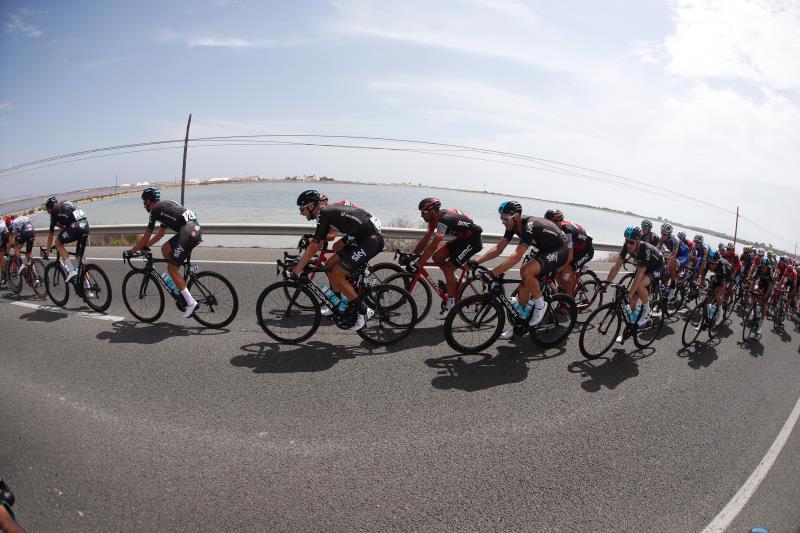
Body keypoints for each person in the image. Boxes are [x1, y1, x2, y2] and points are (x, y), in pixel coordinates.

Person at [471, 201, 568, 339]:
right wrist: (476, 261)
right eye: (501, 218)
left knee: (526, 271)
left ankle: (541, 305)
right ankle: (521, 323)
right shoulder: (512, 225)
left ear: (516, 217)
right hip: (544, 249)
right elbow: (499, 248)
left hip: (559, 249)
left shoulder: (529, 226)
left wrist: (492, 273)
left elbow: (517, 255)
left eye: (505, 218)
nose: (503, 222)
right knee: (523, 287)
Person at [292, 189, 384, 331]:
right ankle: (336, 304)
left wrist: (297, 269)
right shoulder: (325, 213)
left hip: (369, 240)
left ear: (311, 207)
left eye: (302, 209)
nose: (300, 213)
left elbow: (315, 246)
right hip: (361, 238)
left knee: (337, 274)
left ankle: (364, 312)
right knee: (329, 266)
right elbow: (319, 241)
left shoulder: (324, 213)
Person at [126, 187, 202, 318]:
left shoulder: (155, 211)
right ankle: (180, 286)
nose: (144, 205)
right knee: (165, 249)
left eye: (144, 202)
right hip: (194, 229)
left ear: (149, 201)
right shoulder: (166, 206)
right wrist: (146, 246)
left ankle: (191, 302)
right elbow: (160, 234)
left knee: (171, 269)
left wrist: (132, 251)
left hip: (187, 233)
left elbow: (145, 237)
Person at [412, 198, 482, 318]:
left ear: (433, 211)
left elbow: (434, 244)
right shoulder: (434, 219)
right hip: (462, 239)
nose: (421, 215)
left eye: (423, 212)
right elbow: (426, 239)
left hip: (473, 241)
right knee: (437, 257)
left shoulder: (444, 220)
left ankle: (450, 306)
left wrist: (419, 263)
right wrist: (413, 255)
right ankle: (454, 281)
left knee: (449, 268)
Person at [603, 226, 665, 330]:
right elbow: (616, 267)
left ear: (638, 241)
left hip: (657, 266)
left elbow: (639, 276)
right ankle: (630, 326)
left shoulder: (645, 249)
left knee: (639, 286)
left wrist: (629, 296)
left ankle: (647, 310)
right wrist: (605, 284)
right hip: (646, 265)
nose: (628, 244)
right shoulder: (626, 246)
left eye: (631, 242)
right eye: (626, 241)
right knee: (632, 300)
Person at [543, 208, 593, 297]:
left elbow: (570, 258)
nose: (548, 226)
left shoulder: (568, 233)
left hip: (586, 250)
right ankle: (564, 286)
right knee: (558, 268)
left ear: (558, 222)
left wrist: (560, 269)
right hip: (575, 247)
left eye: (551, 223)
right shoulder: (556, 228)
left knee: (567, 269)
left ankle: (568, 303)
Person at [43, 196, 90, 284]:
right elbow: (64, 227)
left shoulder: (54, 212)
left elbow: (50, 236)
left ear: (49, 208)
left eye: (48, 210)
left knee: (57, 243)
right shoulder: (65, 204)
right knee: (79, 257)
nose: (49, 213)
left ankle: (71, 271)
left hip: (74, 227)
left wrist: (47, 252)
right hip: (85, 226)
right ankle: (88, 288)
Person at [658, 223, 691, 301]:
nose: (662, 235)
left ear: (669, 234)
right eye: (661, 233)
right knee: (665, 275)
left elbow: (674, 255)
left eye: (664, 234)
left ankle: (673, 287)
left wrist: (667, 265)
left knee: (671, 264)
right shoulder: (662, 238)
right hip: (676, 255)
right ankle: (663, 296)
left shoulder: (675, 240)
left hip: (684, 255)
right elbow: (657, 249)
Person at [703, 250, 732, 327]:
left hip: (727, 276)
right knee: (709, 293)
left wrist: (719, 292)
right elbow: (703, 274)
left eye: (713, 263)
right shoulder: (709, 263)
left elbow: (723, 285)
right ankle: (706, 317)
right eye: (710, 263)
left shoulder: (722, 265)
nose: (711, 265)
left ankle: (720, 313)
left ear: (717, 262)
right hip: (718, 274)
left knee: (717, 295)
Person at [751, 257, 773, 335]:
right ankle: (754, 311)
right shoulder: (760, 268)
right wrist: (751, 290)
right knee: (754, 293)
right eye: (762, 266)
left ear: (767, 266)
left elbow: (769, 287)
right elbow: (754, 278)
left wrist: (765, 297)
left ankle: (761, 322)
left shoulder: (770, 273)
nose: (763, 268)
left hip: (767, 286)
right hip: (761, 282)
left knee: (763, 303)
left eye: (764, 267)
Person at [0, 218, 9, 286]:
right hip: (10, 234)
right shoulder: (3, 221)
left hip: (4, 235)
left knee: (0, 254)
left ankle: (4, 273)